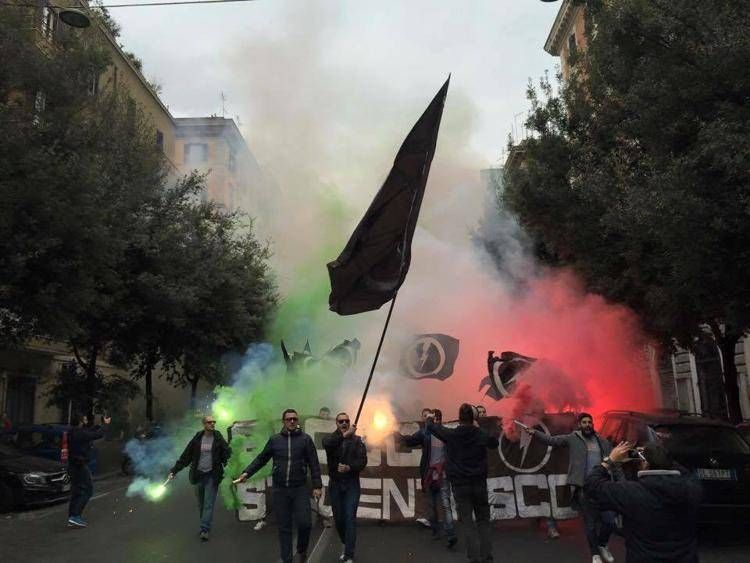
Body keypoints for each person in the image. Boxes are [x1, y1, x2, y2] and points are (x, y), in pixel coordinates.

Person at [585, 441, 702, 563]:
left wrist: (610, 460)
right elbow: (686, 473)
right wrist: (660, 455)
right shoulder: (692, 489)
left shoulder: (631, 492)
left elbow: (592, 485)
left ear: (645, 463)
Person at [526, 412, 618, 563]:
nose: (587, 425)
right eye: (584, 422)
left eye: (590, 422)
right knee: (590, 524)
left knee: (609, 521)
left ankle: (602, 545)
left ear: (593, 424)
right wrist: (535, 433)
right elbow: (552, 441)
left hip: (603, 487)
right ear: (579, 425)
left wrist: (618, 482)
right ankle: (595, 554)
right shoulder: (572, 438)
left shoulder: (602, 441)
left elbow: (613, 463)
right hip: (584, 488)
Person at [235, 408, 322, 563]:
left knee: (305, 523)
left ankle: (302, 549)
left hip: (299, 489)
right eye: (289, 419)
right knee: (284, 528)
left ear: (297, 421)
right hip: (280, 490)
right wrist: (246, 473)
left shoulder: (305, 440)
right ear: (284, 421)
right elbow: (261, 459)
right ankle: (287, 559)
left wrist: (317, 485)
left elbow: (314, 464)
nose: (292, 421)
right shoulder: (275, 440)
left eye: (295, 419)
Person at [426, 403, 499, 563]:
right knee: (483, 521)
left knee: (467, 522)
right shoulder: (479, 434)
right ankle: (487, 556)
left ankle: (473, 558)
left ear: (459, 418)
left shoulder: (452, 434)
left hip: (460, 486)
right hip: (479, 484)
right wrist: (479, 427)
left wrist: (430, 420)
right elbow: (494, 443)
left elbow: (434, 429)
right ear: (473, 417)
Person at [399, 408, 457, 548]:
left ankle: (437, 531)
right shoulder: (447, 432)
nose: (427, 420)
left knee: (432, 504)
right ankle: (450, 534)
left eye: (428, 418)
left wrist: (396, 435)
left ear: (432, 419)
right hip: (440, 475)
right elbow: (409, 441)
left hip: (431, 475)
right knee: (445, 505)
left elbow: (409, 441)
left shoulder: (425, 432)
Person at [168, 415, 232, 541]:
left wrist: (231, 464)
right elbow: (186, 456)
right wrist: (174, 471)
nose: (212, 424)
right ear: (204, 424)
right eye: (209, 422)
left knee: (208, 503)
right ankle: (205, 523)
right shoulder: (198, 438)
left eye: (214, 422)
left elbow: (227, 454)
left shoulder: (218, 438)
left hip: (212, 476)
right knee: (201, 504)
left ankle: (204, 529)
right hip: (198, 475)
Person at [322, 412, 367, 563]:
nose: (344, 423)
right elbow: (327, 444)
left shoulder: (357, 441)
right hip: (335, 484)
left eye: (346, 421)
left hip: (351, 484)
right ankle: (345, 542)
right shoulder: (331, 439)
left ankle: (349, 554)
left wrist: (350, 467)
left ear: (349, 422)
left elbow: (362, 462)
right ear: (336, 423)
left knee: (349, 518)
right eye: (341, 421)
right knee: (339, 519)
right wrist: (345, 435)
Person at [67, 413, 111, 528]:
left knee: (77, 491)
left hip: (73, 465)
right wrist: (106, 425)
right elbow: (97, 435)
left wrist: (100, 424)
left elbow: (91, 431)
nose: (86, 420)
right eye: (85, 418)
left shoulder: (73, 431)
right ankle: (75, 516)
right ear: (81, 421)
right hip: (80, 465)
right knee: (88, 490)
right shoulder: (80, 433)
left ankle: (73, 517)